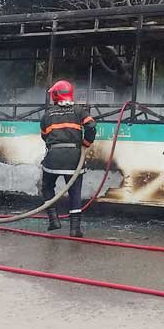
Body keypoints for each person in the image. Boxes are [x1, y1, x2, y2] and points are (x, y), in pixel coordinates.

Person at [40, 80, 97, 237]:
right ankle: (75, 229)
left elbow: (44, 137)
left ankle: (53, 220)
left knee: (46, 186)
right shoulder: (79, 111)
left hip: (53, 157)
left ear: (56, 95)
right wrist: (86, 143)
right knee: (75, 192)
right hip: (74, 158)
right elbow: (91, 126)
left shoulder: (47, 115)